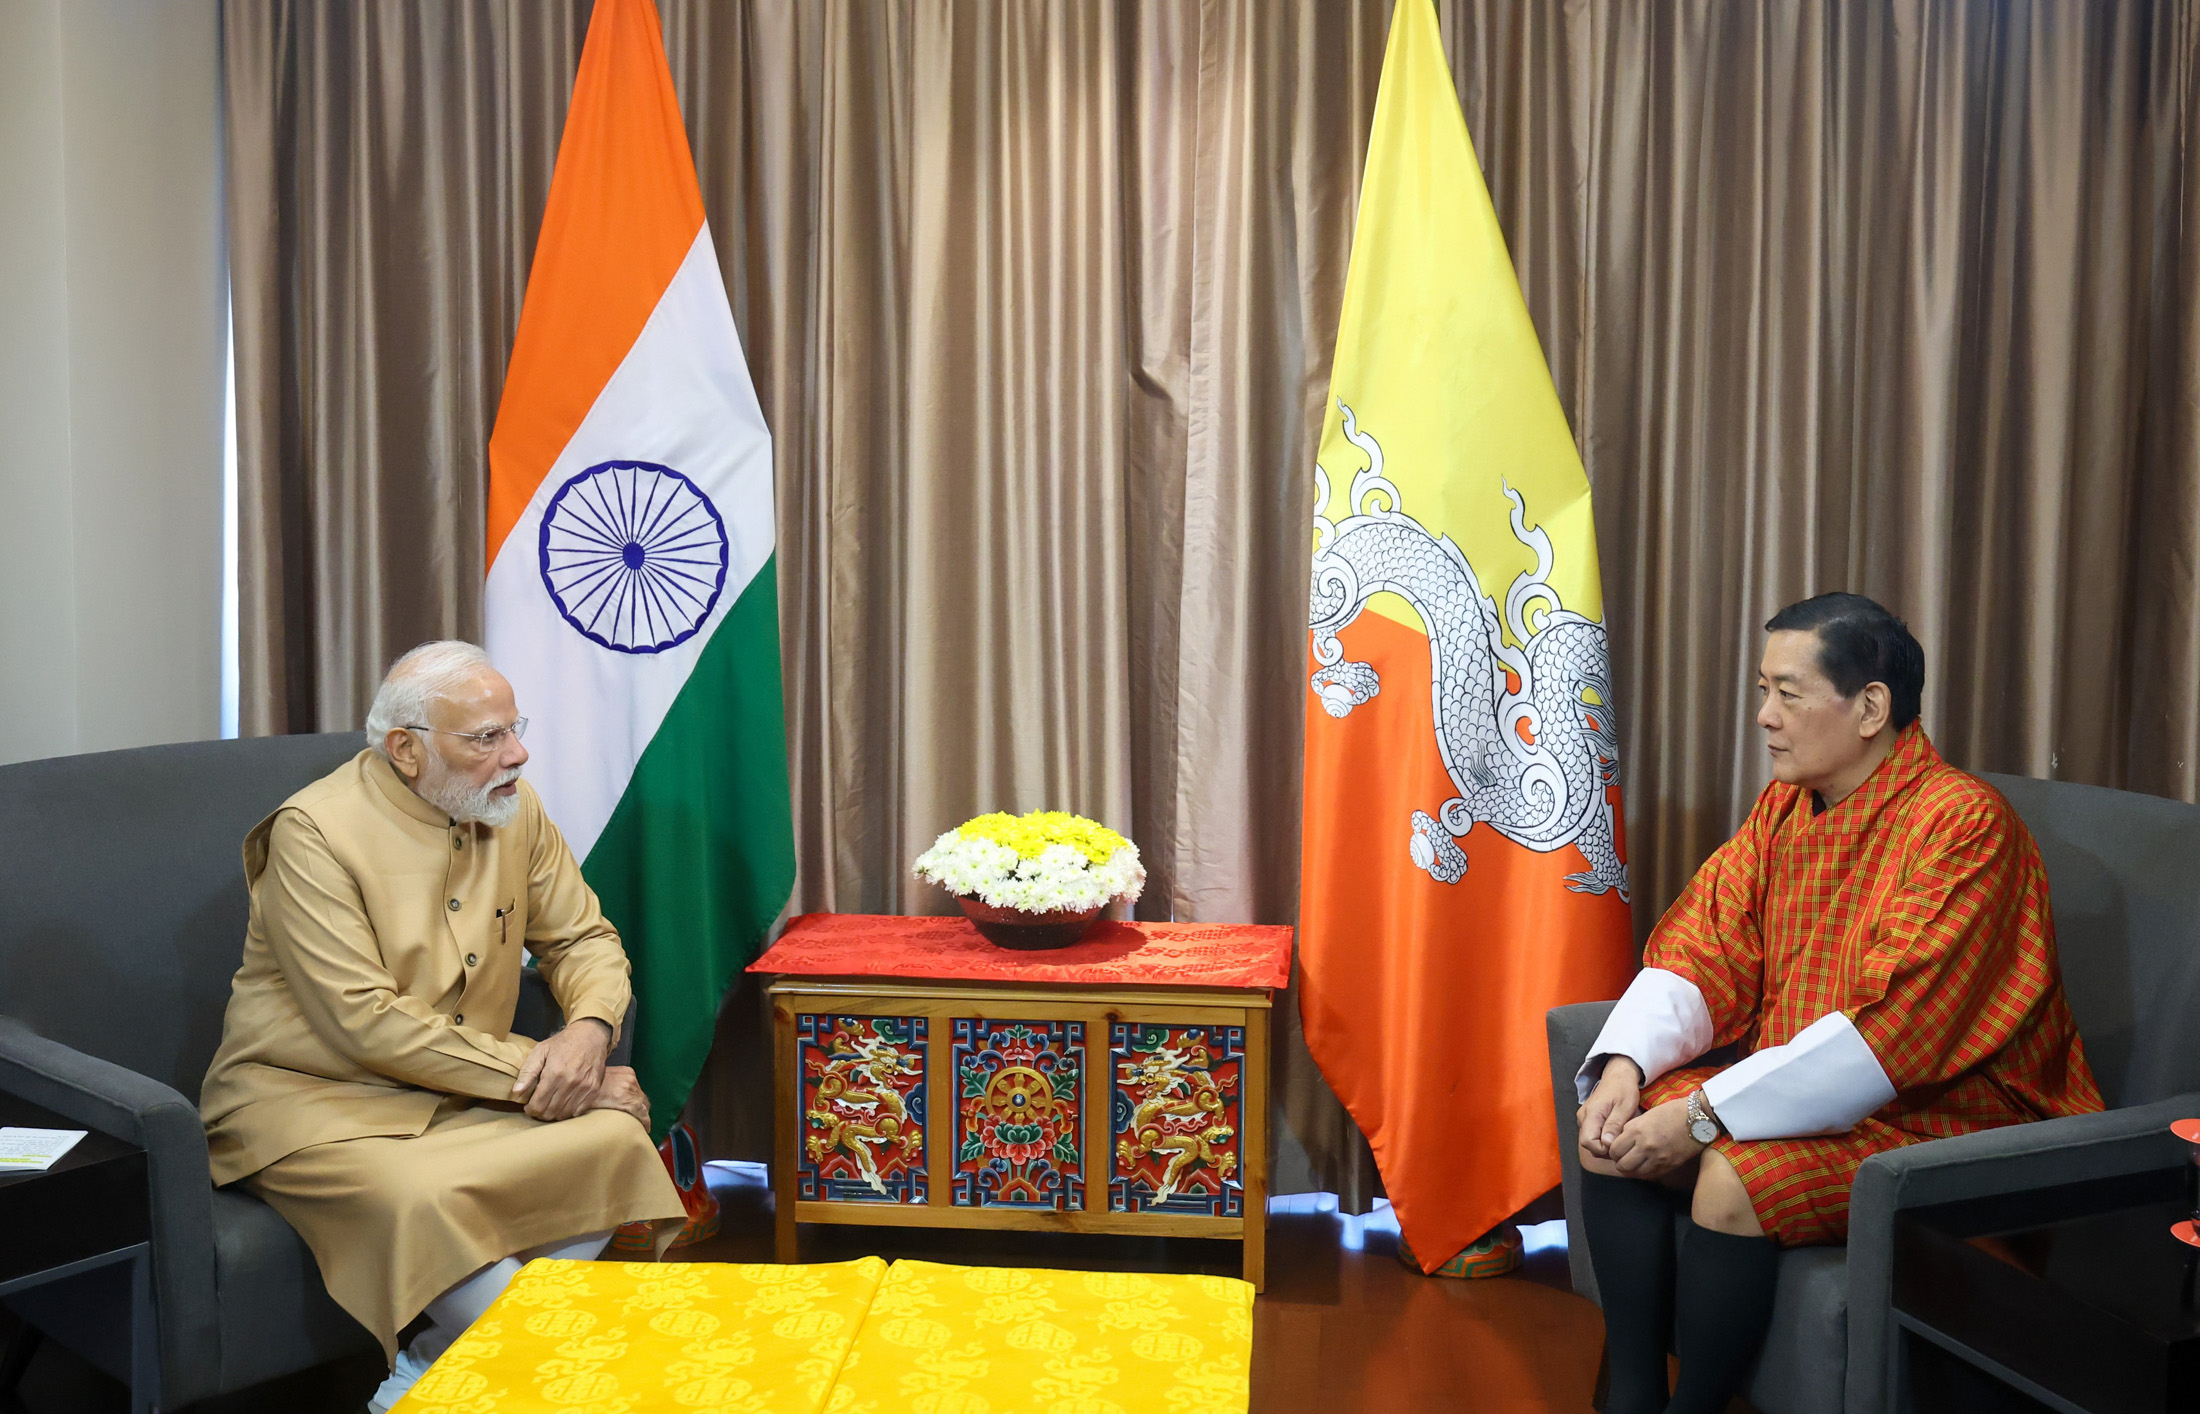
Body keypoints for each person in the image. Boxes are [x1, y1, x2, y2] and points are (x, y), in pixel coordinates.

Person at [1573, 593, 2101, 1414]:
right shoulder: (1784, 808)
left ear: (1871, 708)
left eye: (1787, 693)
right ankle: (1632, 1396)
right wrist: (1623, 1068)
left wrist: (1705, 1118)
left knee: (1734, 1179)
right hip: (1810, 1094)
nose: (1764, 716)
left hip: (1941, 1114)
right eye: (1763, 690)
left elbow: (1891, 1034)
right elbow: (1706, 941)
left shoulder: (1964, 826)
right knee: (1614, 1130)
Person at [199, 642, 685, 1412]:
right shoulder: (313, 833)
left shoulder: (512, 807)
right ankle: (532, 1378)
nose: (517, 754)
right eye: (487, 737)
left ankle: (432, 1364)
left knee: (614, 1141)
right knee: (419, 1197)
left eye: (515, 729)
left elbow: (583, 938)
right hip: (312, 1100)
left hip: (459, 1089)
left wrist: (589, 1034)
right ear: (406, 750)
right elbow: (365, 1023)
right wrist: (548, 1077)